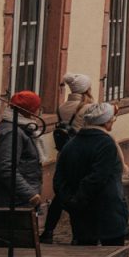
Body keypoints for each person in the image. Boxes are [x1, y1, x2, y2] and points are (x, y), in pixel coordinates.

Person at [52, 102, 129, 257]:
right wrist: (79, 198)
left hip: (81, 209)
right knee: (112, 252)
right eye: (112, 119)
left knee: (83, 247)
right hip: (105, 206)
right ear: (106, 121)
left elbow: (59, 177)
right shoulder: (106, 144)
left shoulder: (72, 143)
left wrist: (68, 201)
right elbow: (97, 177)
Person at [40, 72, 96, 243]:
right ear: (86, 89)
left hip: (64, 155)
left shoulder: (62, 107)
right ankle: (78, 235)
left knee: (61, 194)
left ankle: (48, 231)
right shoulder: (89, 108)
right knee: (81, 195)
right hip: (84, 156)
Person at [0, 89, 46, 209]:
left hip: (18, 197)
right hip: (13, 199)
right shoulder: (12, 132)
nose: (39, 112)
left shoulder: (20, 127)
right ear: (31, 111)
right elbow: (7, 167)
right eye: (38, 108)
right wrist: (30, 194)